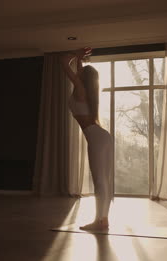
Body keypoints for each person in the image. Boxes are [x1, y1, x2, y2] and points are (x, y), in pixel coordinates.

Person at [60, 47, 114, 230]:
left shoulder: (80, 90)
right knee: (103, 179)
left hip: (97, 137)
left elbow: (63, 64)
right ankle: (103, 220)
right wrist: (80, 59)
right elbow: (77, 70)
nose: (79, 71)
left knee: (100, 179)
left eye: (81, 72)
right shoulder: (86, 92)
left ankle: (100, 221)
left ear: (83, 79)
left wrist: (75, 55)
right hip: (102, 136)